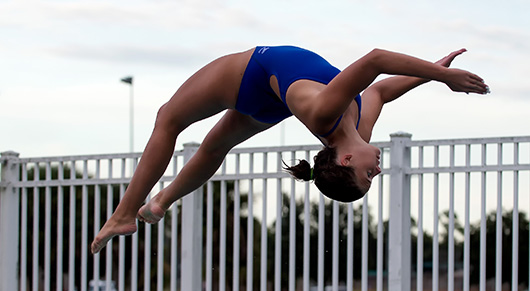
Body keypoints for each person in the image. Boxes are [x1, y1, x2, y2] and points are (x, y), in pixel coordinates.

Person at [91, 45, 489, 254]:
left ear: (346, 160)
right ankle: (160, 202)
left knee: (168, 119)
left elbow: (376, 60)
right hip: (275, 100)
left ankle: (126, 213)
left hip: (251, 74)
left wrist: (443, 76)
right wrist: (437, 74)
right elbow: (383, 88)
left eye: (368, 176)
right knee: (213, 148)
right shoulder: (361, 126)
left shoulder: (327, 113)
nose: (379, 171)